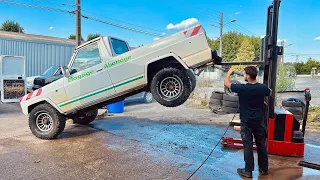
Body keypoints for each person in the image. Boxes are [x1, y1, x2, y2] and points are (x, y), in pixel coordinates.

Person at [224, 66, 271, 178]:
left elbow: (226, 83)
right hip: (259, 122)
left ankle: (248, 171)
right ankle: (264, 169)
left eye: (245, 74)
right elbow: (270, 92)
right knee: (261, 146)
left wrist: (229, 73)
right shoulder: (263, 88)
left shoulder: (242, 88)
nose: (244, 76)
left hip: (246, 122)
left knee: (248, 146)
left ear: (248, 76)